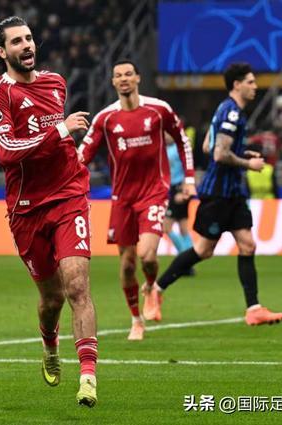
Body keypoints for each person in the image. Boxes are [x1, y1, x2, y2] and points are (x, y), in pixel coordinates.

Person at [0, 16, 98, 407]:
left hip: (69, 196)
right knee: (52, 299)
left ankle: (88, 377)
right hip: (27, 208)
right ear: (2, 51)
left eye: (29, 38)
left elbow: (53, 145)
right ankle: (50, 343)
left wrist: (65, 144)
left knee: (77, 285)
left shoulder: (55, 83)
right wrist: (59, 131)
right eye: (16, 41)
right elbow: (5, 151)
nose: (27, 45)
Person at [150, 63, 282, 326]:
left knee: (248, 244)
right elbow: (219, 154)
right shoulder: (232, 113)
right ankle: (156, 289)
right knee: (203, 250)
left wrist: (242, 153)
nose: (255, 86)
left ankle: (254, 309)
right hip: (219, 193)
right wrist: (248, 163)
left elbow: (207, 145)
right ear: (237, 84)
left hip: (233, 192)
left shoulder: (225, 110)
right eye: (250, 82)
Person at [77, 60, 195, 341]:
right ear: (113, 82)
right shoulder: (105, 118)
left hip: (154, 191)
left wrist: (189, 178)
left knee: (147, 255)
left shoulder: (158, 109)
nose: (124, 79)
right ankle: (136, 320)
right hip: (122, 198)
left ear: (138, 78)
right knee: (128, 264)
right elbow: (82, 156)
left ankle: (152, 286)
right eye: (118, 75)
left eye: (128, 74)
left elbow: (182, 140)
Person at [164, 138, 195, 274]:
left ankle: (184, 259)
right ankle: (189, 262)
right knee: (183, 228)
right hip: (171, 189)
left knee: (166, 227)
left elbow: (187, 169)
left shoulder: (179, 149)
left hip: (179, 189)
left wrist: (183, 191)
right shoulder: (168, 148)